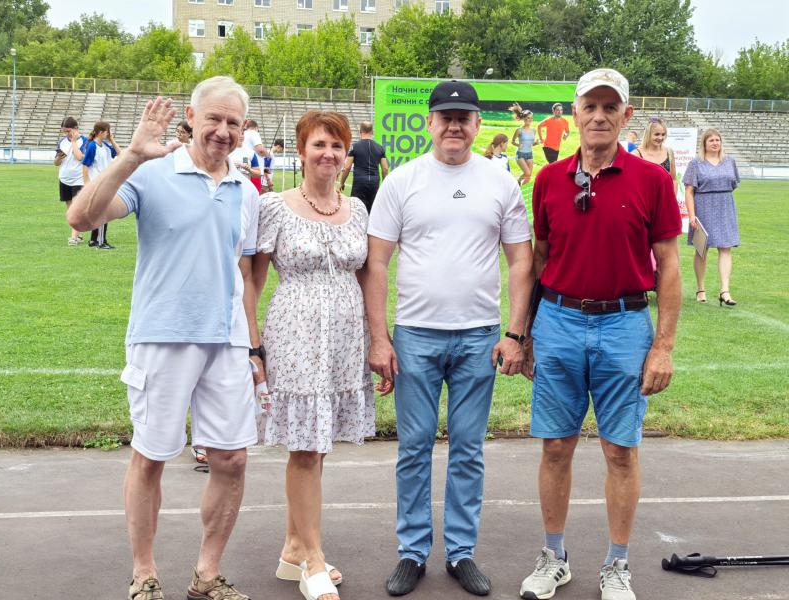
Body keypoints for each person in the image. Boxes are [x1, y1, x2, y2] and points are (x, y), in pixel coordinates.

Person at [67, 76, 261, 600]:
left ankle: (207, 574)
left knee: (232, 459)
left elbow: (244, 274)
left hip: (226, 341)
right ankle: (145, 573)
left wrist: (253, 344)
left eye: (233, 122)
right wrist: (131, 154)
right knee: (151, 456)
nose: (222, 130)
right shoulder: (151, 173)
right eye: (213, 118)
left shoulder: (246, 191)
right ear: (192, 119)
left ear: (243, 129)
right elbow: (80, 217)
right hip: (162, 336)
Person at [364, 80, 535, 597]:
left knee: (467, 449)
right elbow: (376, 262)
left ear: (478, 124)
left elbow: (521, 260)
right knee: (414, 447)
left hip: (479, 336)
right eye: (445, 117)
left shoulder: (500, 181)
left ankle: (461, 552)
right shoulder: (403, 180)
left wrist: (515, 333)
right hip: (415, 335)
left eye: (464, 118)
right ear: (431, 122)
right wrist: (380, 338)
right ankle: (413, 552)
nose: (454, 126)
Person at [519, 68, 681, 600]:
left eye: (610, 107)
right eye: (590, 106)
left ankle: (617, 564)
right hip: (559, 320)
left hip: (625, 324)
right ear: (575, 113)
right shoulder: (549, 180)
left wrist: (663, 346)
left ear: (626, 115)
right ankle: (554, 557)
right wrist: (525, 333)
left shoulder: (652, 179)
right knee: (555, 447)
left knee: (620, 452)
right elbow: (539, 259)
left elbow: (669, 266)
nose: (599, 116)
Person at [252, 110, 373, 600]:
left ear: (347, 155)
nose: (329, 154)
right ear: (301, 151)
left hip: (344, 339)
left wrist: (378, 337)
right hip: (295, 334)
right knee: (304, 446)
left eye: (337, 146)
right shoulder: (274, 207)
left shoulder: (357, 209)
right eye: (319, 144)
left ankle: (293, 548)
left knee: (317, 444)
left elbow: (368, 275)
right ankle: (314, 560)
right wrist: (252, 345)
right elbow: (252, 281)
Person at [684, 128, 741, 306]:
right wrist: (692, 215)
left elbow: (733, 184)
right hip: (703, 208)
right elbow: (689, 190)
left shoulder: (730, 161)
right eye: (711, 140)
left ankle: (725, 290)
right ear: (704, 143)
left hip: (725, 208)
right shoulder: (696, 163)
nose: (715, 143)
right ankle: (700, 289)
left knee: (726, 248)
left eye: (718, 140)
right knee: (702, 249)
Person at [81, 121, 120, 249]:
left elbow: (120, 154)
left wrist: (112, 140)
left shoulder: (105, 146)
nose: (109, 134)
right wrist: (87, 184)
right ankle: (101, 242)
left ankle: (93, 240)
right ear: (101, 132)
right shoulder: (93, 146)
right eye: (107, 131)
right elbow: (85, 165)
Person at [339, 121, 389, 213]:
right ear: (372, 132)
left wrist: (342, 182)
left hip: (359, 182)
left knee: (357, 211)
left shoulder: (355, 147)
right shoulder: (380, 148)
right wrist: (384, 184)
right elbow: (385, 168)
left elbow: (347, 167)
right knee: (373, 211)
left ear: (360, 131)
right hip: (374, 183)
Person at [54, 116, 86, 245]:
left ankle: (74, 237)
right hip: (64, 178)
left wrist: (73, 142)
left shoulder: (84, 141)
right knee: (70, 209)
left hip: (79, 179)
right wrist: (58, 158)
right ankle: (78, 234)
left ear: (76, 128)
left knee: (76, 208)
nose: (66, 134)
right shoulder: (62, 142)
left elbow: (79, 157)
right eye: (64, 131)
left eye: (68, 131)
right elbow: (56, 163)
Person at [634, 118, 677, 193]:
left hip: (665, 197)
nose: (660, 138)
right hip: (645, 198)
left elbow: (673, 179)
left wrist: (673, 197)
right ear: (648, 134)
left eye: (663, 134)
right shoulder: (636, 154)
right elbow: (633, 183)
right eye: (657, 134)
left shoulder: (669, 152)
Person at [510, 106, 538, 184]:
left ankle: (520, 186)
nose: (529, 119)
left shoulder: (533, 130)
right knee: (527, 173)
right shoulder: (519, 130)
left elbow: (531, 144)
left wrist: (536, 143)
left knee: (528, 176)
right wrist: (518, 145)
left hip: (529, 154)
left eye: (530, 118)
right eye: (527, 117)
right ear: (524, 118)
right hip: (520, 154)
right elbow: (512, 141)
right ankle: (518, 181)